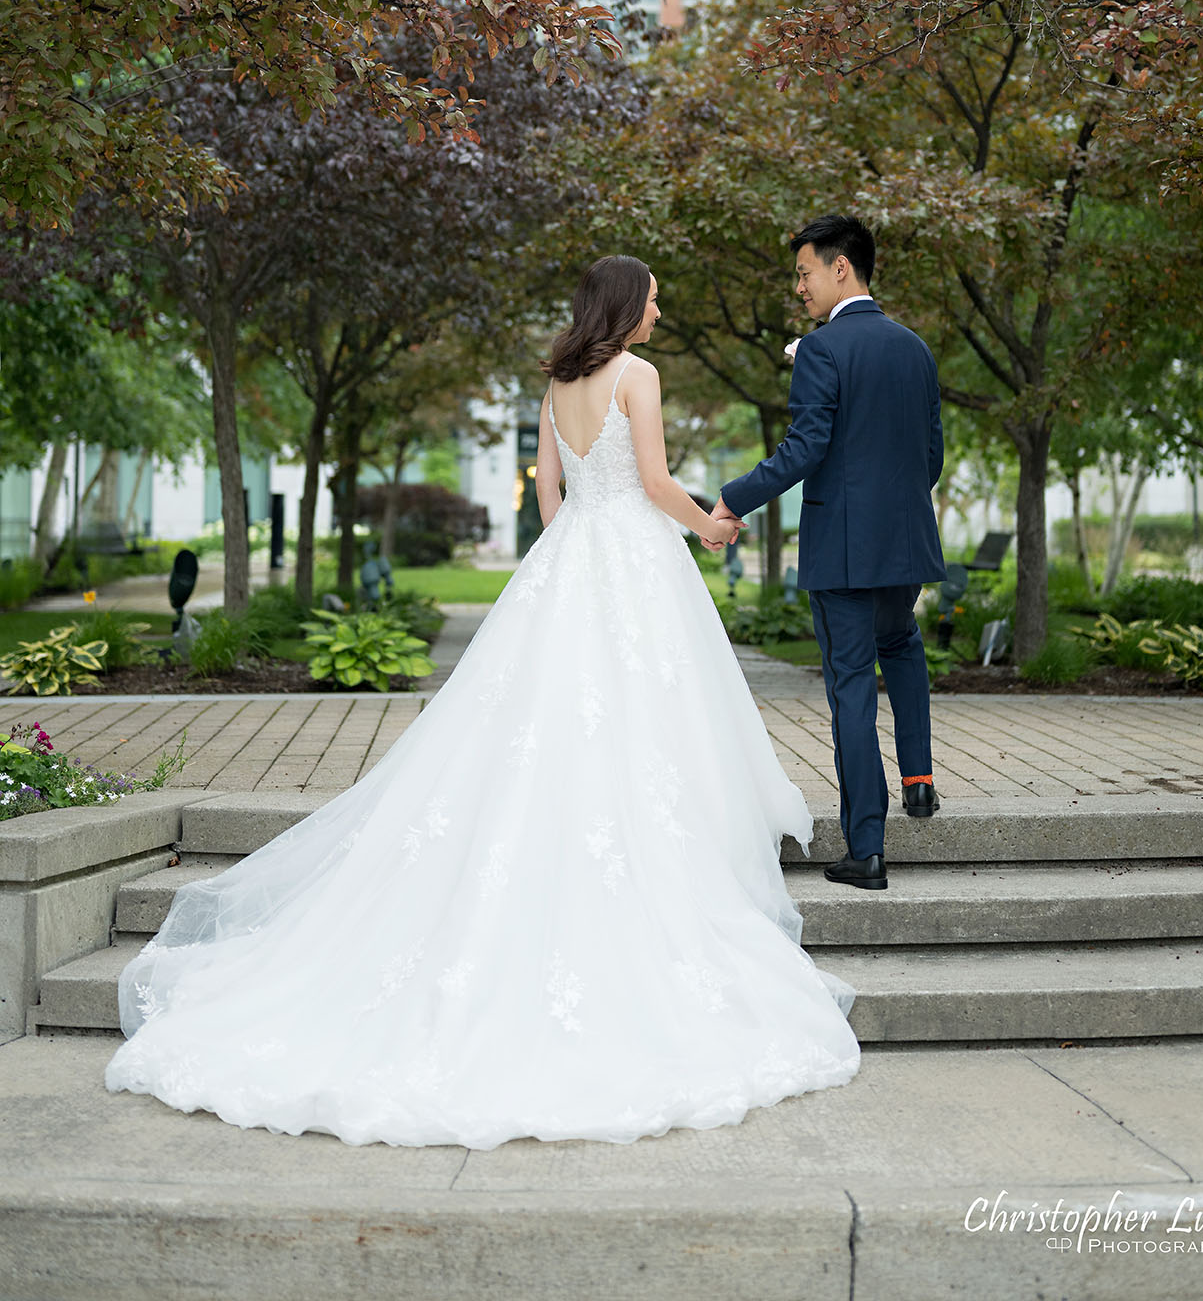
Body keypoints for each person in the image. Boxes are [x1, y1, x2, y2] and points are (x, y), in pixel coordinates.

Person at [105, 255, 860, 1148]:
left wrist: (572, 551)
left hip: (575, 553)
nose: (661, 307)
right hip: (634, 556)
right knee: (644, 718)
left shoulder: (558, 383)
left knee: (541, 721)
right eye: (654, 295)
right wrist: (709, 522)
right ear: (627, 305)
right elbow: (655, 484)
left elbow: (548, 486)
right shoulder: (638, 374)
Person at [710, 213, 945, 893]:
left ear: (840, 268)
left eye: (804, 273)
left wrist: (733, 499)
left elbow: (805, 449)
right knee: (901, 645)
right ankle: (920, 779)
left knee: (849, 684)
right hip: (904, 543)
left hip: (843, 549)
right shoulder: (915, 349)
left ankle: (866, 848)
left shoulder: (821, 350)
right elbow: (929, 455)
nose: (800, 288)